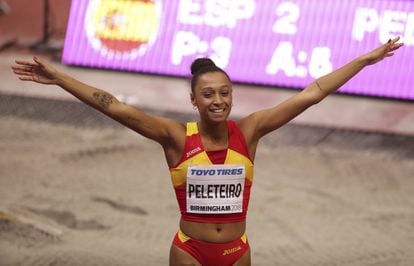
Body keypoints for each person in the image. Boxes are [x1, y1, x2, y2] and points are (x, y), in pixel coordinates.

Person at [11, 37, 403, 265]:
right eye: (209, 94)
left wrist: (364, 61)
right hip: (190, 253)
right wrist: (59, 78)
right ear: (195, 100)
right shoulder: (175, 138)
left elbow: (313, 93)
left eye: (225, 92)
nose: (219, 100)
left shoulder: (249, 131)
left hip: (238, 251)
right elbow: (112, 105)